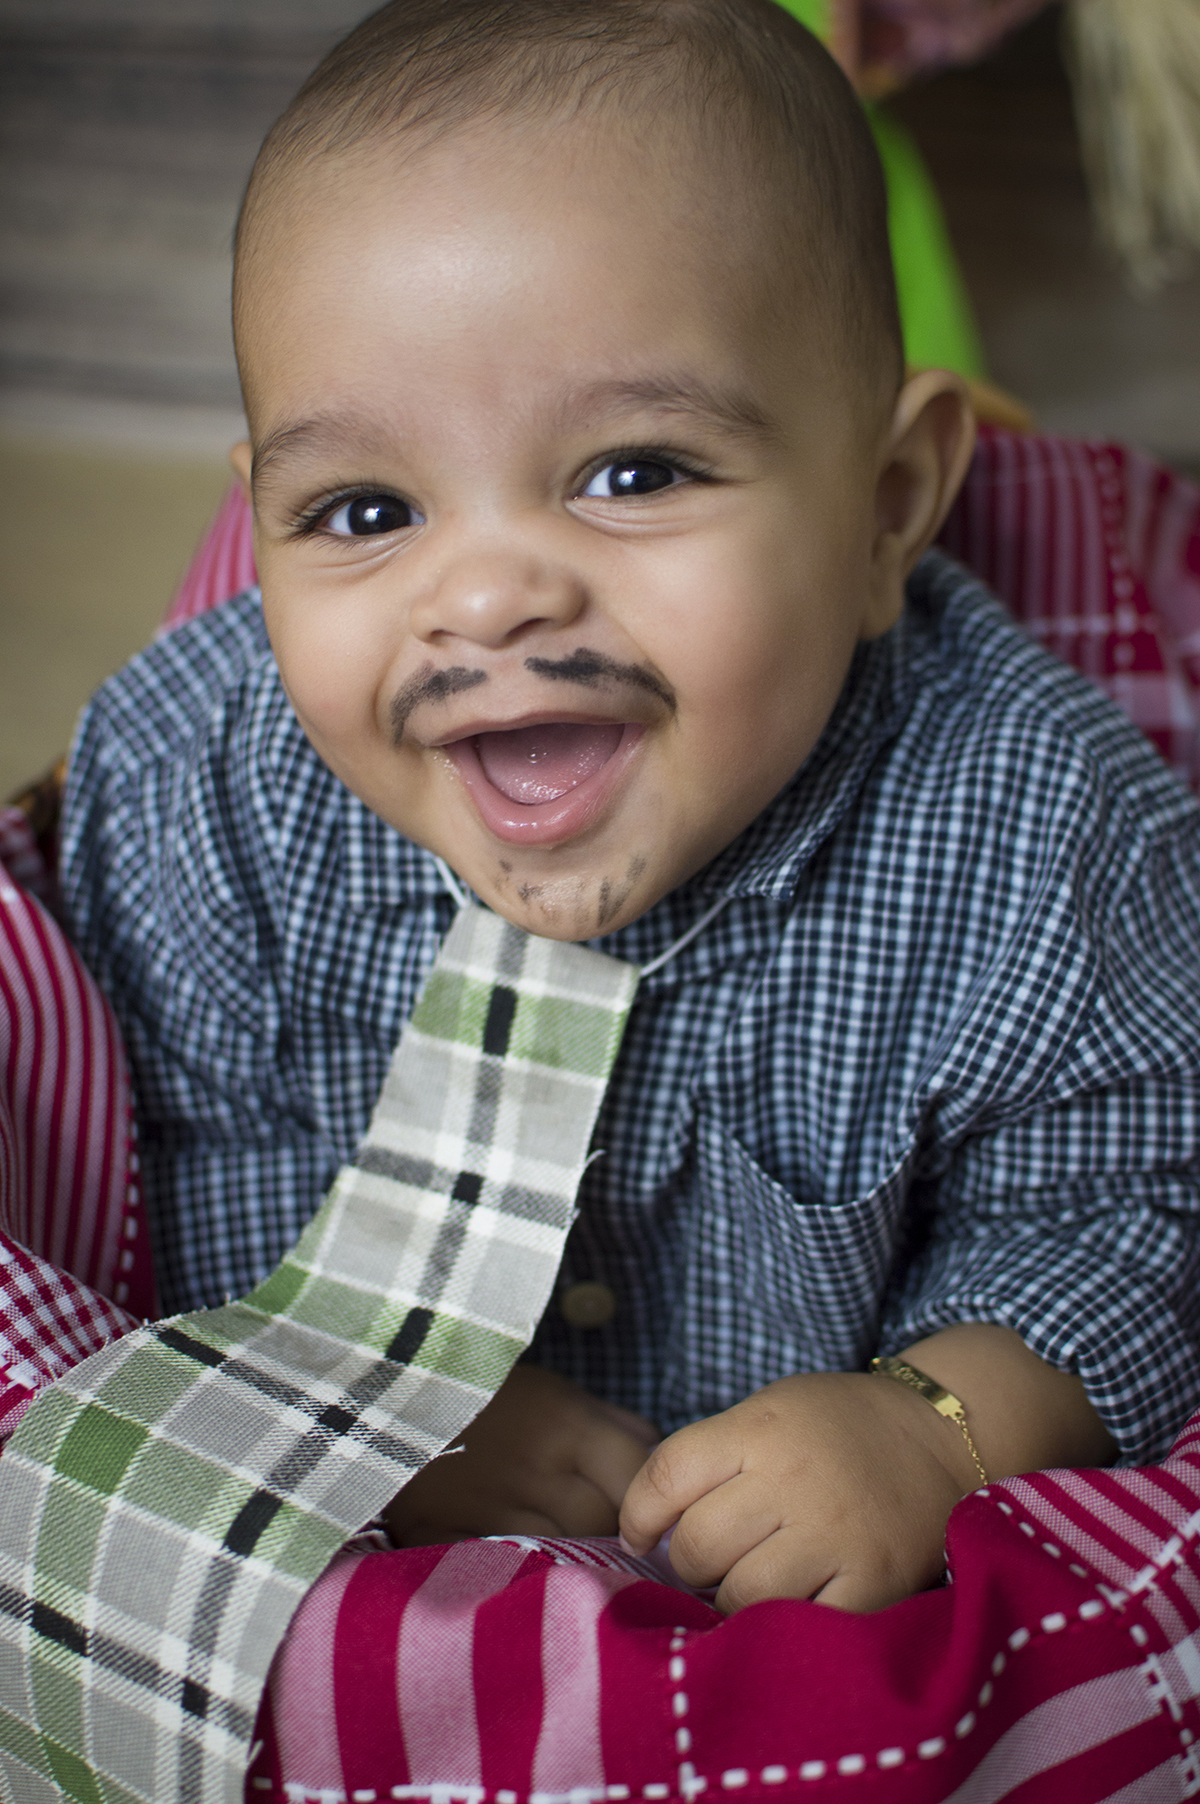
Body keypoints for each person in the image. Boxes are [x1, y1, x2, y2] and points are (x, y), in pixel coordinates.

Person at [61, 0, 1200, 1625]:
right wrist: (364, 1398)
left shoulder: (1047, 837)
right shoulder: (199, 792)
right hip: (380, 1611)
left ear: (887, 508)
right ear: (260, 525)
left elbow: (1128, 1209)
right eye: (365, 510)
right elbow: (179, 1154)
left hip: (838, 1630)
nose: (486, 595)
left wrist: (933, 1427)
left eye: (635, 473)